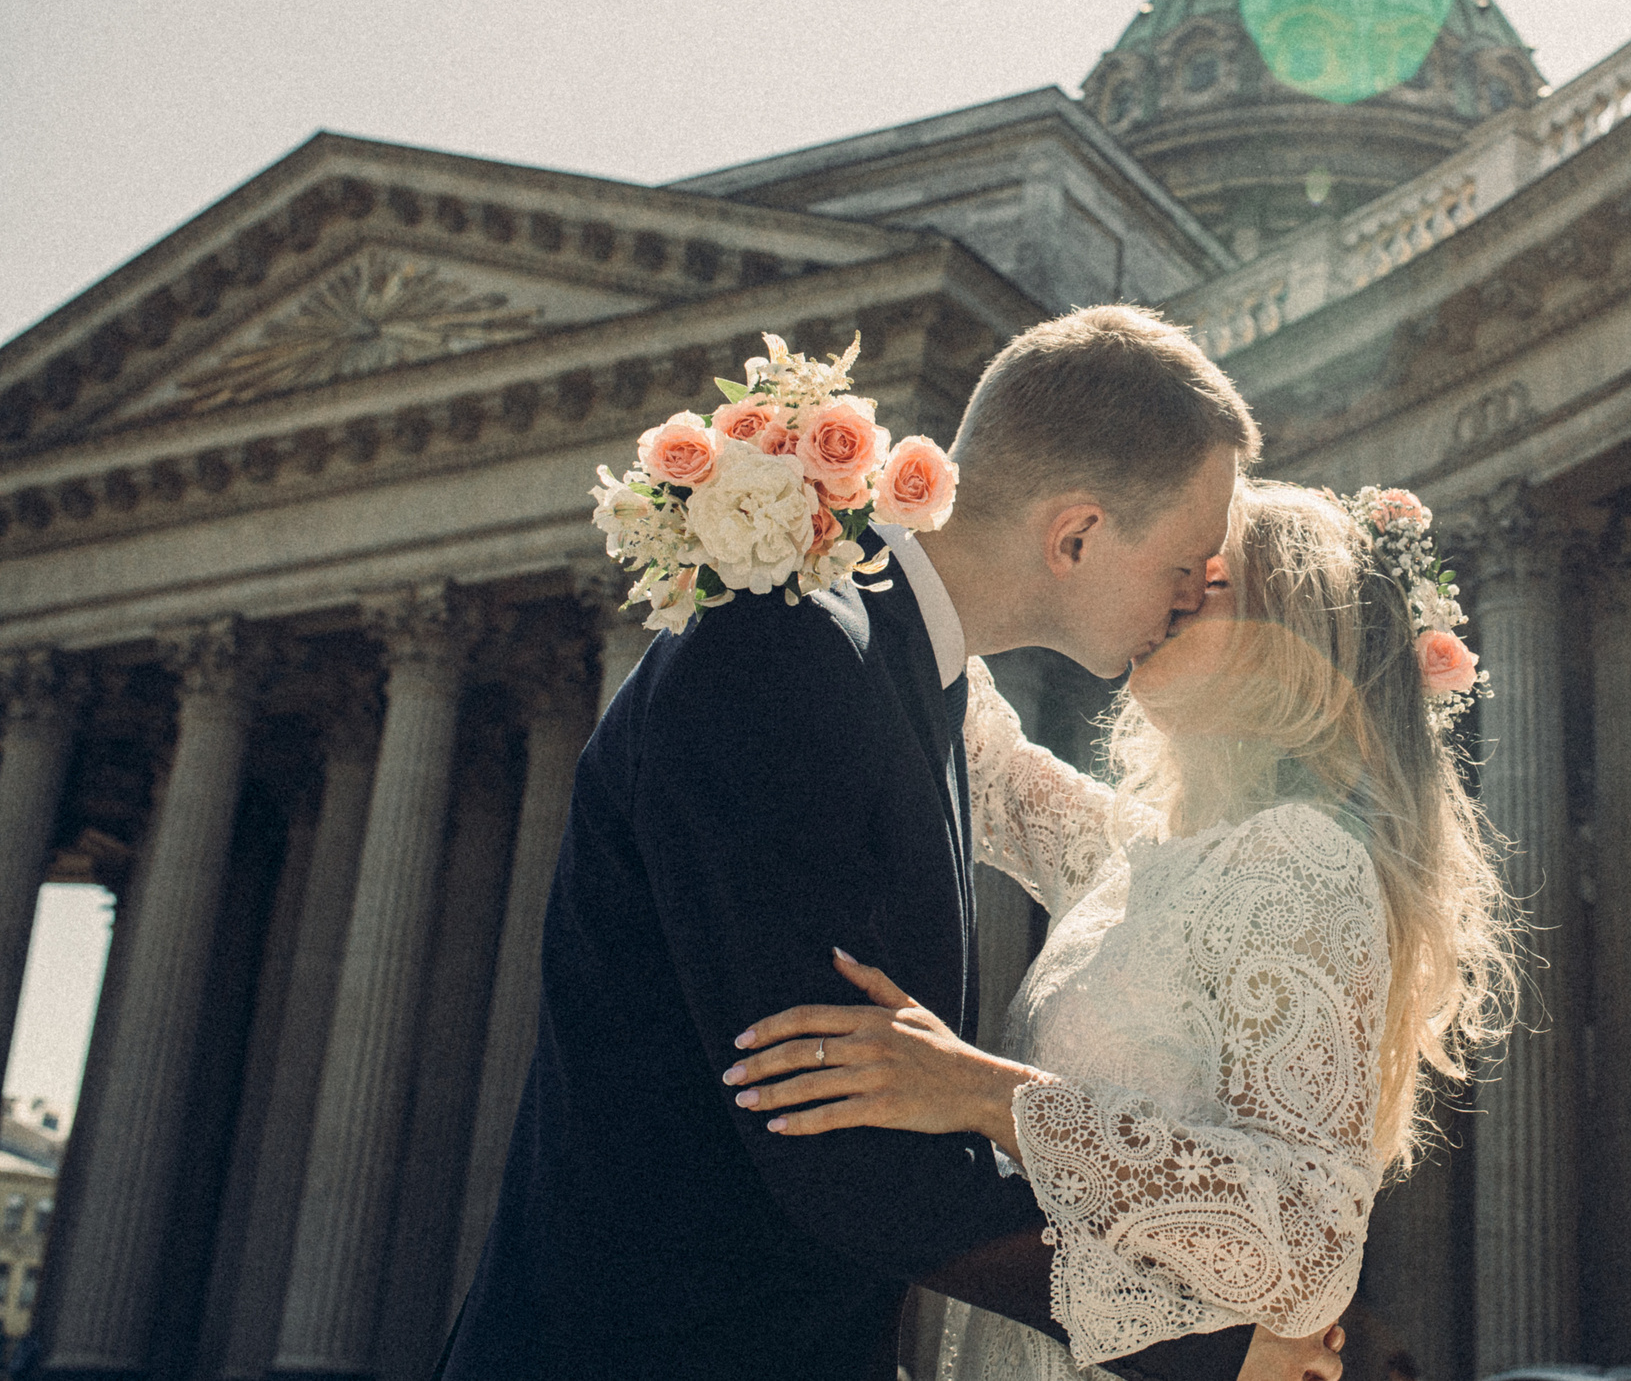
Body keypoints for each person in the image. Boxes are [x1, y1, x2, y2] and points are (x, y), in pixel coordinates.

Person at [446, 308, 1342, 1381]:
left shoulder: (907, 675)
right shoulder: (786, 658)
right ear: (1076, 535)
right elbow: (833, 1133)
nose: (1197, 589)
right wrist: (1215, 1349)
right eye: (1188, 561)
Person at [720, 480, 1516, 1381]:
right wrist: (815, 495)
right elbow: (991, 759)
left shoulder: (1305, 856)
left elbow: (1305, 1244)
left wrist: (981, 1092)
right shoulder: (1142, 854)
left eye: (1203, 583)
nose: (1167, 596)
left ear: (1293, 642)